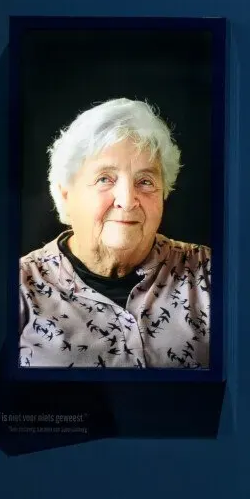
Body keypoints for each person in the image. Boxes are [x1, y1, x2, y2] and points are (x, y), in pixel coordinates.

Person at [17, 98, 212, 368]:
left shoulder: (208, 271)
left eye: (145, 182)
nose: (128, 200)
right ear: (65, 194)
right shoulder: (19, 286)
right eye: (104, 179)